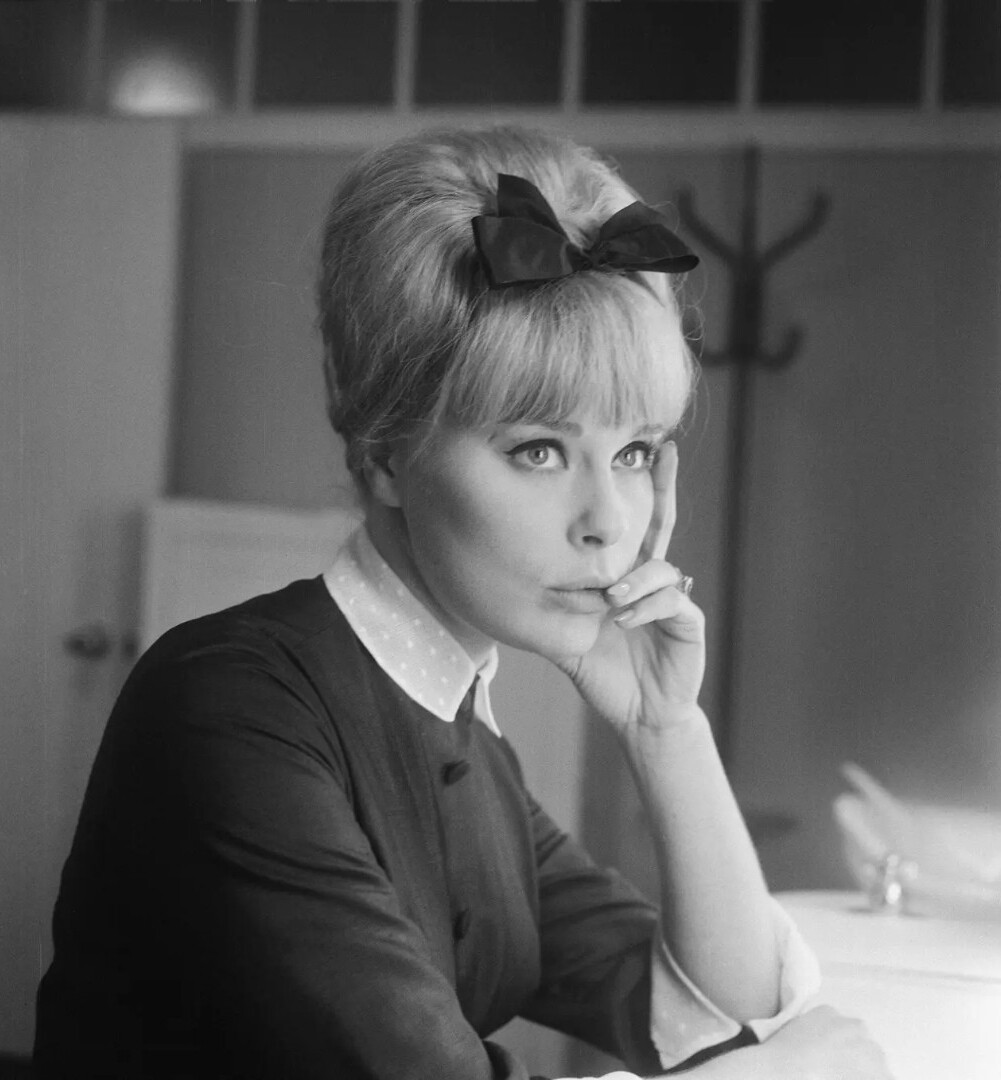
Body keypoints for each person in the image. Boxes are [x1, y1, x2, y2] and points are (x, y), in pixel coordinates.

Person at [34, 126, 892, 1079]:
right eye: (539, 450)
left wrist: (665, 730)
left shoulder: (467, 739)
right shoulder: (232, 706)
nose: (608, 522)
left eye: (633, 451)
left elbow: (728, 1016)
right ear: (385, 455)